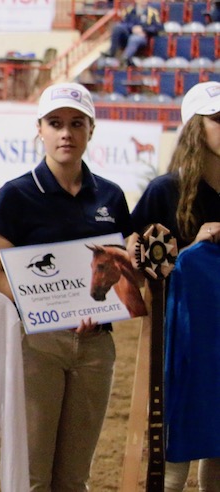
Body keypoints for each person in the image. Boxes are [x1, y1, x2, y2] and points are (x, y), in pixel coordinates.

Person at [0, 82, 133, 491]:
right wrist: (51, 308)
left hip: (97, 346)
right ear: (40, 130)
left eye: (76, 123)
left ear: (90, 131)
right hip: (38, 345)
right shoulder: (16, 195)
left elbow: (125, 270)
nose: (66, 133)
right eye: (56, 123)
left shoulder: (112, 198)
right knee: (32, 473)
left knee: (75, 475)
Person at [128, 81, 220, 492]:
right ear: (194, 128)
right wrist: (189, 248)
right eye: (217, 119)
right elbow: (137, 255)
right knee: (173, 445)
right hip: (177, 340)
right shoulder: (164, 191)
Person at [104, 0, 162, 66]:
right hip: (128, 34)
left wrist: (143, 29)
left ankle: (125, 58)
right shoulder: (129, 10)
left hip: (142, 36)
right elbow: (123, 23)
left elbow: (157, 27)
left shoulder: (153, 12)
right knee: (118, 27)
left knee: (134, 38)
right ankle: (112, 52)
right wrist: (133, 28)